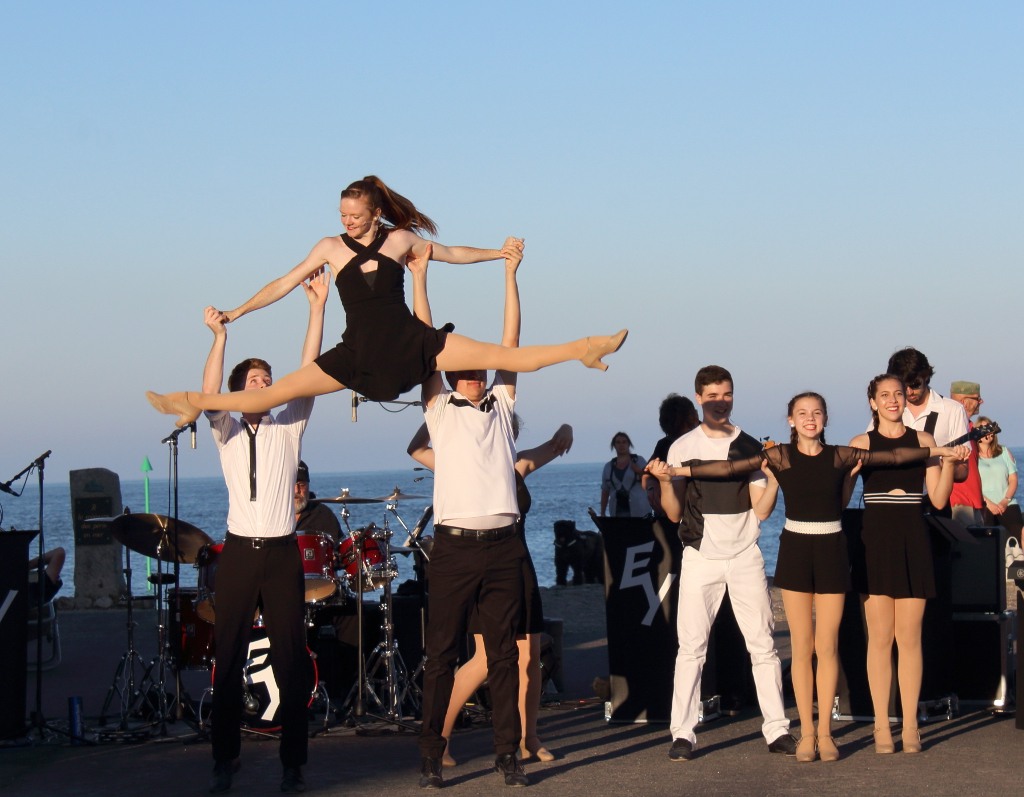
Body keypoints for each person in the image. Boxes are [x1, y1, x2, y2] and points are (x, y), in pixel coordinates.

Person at [146, 176, 627, 427]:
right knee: (280, 391)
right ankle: (190, 403)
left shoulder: (401, 240)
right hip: (357, 352)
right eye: (342, 215)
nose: (347, 222)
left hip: (409, 341)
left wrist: (497, 254)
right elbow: (283, 283)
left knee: (504, 357)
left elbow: (451, 253)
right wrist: (237, 311)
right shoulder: (329, 248)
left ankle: (585, 348)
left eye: (355, 215)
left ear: (375, 213)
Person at [650, 392, 958, 762]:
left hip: (832, 551)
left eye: (816, 413)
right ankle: (807, 734)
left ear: (825, 418)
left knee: (826, 648)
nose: (810, 419)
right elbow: (728, 469)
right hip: (795, 552)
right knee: (801, 647)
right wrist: (679, 472)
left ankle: (825, 735)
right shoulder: (777, 455)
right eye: (801, 413)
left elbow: (893, 456)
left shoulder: (842, 455)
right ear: (791, 420)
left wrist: (941, 453)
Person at [202, 268, 329, 794]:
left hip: (280, 552)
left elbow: (311, 369)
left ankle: (292, 763)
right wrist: (221, 337)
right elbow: (208, 393)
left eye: (266, 380)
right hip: (237, 551)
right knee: (227, 655)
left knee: (291, 658)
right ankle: (223, 759)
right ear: (239, 392)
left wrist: (316, 306)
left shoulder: (289, 422)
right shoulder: (226, 429)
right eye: (253, 381)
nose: (262, 385)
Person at [412, 240, 529, 788]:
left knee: (504, 657)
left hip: (504, 544)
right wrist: (420, 279)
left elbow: (512, 341)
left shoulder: (502, 407)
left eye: (480, 371)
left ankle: (508, 756)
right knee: (440, 656)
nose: (475, 376)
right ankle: (431, 756)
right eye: (465, 370)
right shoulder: (438, 407)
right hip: (455, 546)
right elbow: (422, 342)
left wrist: (510, 273)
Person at [647, 365, 794, 762]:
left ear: (733, 396)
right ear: (699, 399)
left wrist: (776, 477)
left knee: (763, 645)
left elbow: (761, 512)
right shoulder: (681, 447)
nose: (720, 402)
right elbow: (675, 515)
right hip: (699, 556)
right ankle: (682, 733)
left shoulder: (749, 446)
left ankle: (777, 729)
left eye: (726, 394)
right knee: (691, 647)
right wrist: (664, 482)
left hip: (746, 556)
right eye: (712, 396)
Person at [409, 417, 572, 767]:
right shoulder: (456, 461)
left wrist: (566, 430)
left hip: (519, 564)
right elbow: (417, 449)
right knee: (484, 659)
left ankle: (530, 738)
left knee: (530, 656)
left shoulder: (519, 462)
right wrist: (434, 419)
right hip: (481, 565)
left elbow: (556, 446)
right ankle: (440, 738)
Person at [849, 374, 965, 756]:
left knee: (910, 637)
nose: (893, 400)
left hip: (914, 538)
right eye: (884, 395)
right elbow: (841, 496)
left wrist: (949, 461)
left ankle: (911, 723)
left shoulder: (924, 441)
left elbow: (937, 496)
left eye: (898, 394)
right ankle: (883, 725)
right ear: (873, 402)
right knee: (879, 639)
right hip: (875, 541)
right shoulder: (861, 443)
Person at [884, 348, 970, 493]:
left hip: (932, 502)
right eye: (903, 386)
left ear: (926, 377)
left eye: (915, 384)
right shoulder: (889, 409)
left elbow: (963, 470)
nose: (910, 391)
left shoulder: (952, 410)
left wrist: (942, 467)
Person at [977, 417, 1021, 538]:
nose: (988, 433)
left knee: (1020, 532)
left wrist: (1005, 501)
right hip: (984, 504)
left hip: (1006, 502)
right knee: (987, 539)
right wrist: (989, 503)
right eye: (984, 429)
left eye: (990, 429)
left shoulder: (1004, 452)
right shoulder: (972, 456)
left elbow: (1013, 480)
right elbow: (973, 484)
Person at [948, 381, 985, 526]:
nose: (981, 401)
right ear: (965, 402)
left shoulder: (969, 428)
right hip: (959, 503)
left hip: (973, 502)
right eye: (977, 398)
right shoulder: (953, 429)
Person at [293, 460, 343, 544]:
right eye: (292, 484)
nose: (297, 490)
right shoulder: (271, 514)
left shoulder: (323, 514)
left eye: (302, 485)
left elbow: (338, 548)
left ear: (308, 486)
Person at [600, 433, 648, 517]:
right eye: (618, 442)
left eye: (624, 442)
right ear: (614, 445)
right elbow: (605, 491)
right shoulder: (608, 467)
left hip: (639, 511)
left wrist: (639, 471)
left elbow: (649, 484)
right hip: (617, 511)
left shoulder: (639, 461)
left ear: (629, 444)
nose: (621, 445)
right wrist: (603, 512)